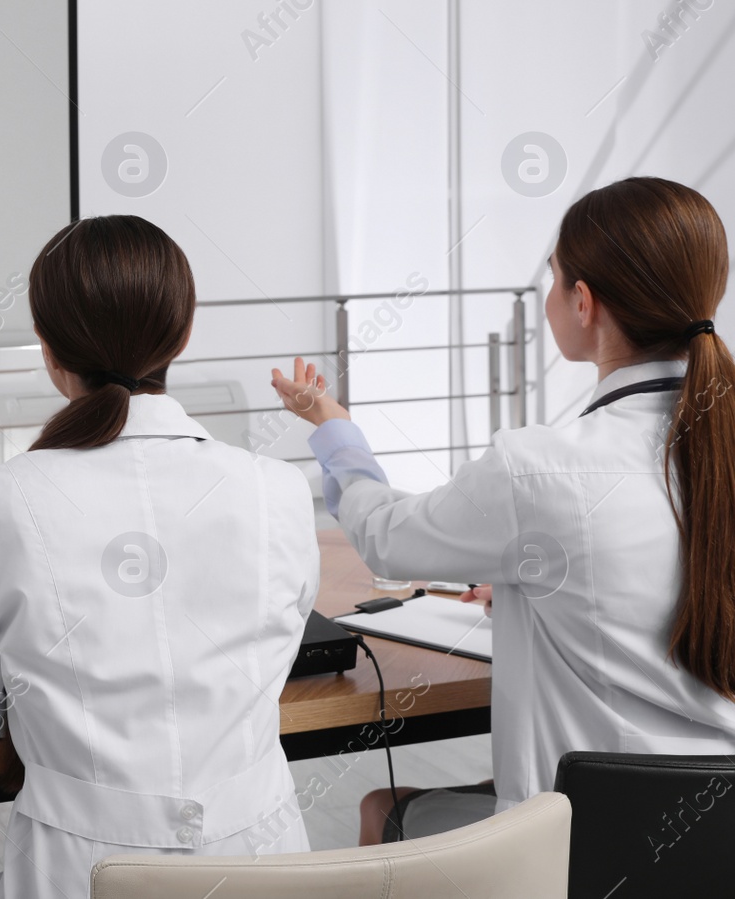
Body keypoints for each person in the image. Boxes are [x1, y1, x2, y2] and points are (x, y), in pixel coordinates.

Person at [270, 176, 735, 844]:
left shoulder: (542, 468)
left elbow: (386, 537)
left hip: (591, 841)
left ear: (582, 301)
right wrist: (533, 588)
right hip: (715, 836)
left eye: (553, 280)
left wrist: (334, 428)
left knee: (383, 809)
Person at [0, 215, 321, 899]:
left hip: (80, 877)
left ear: (48, 349)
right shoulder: (280, 490)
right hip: (265, 868)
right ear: (184, 334)